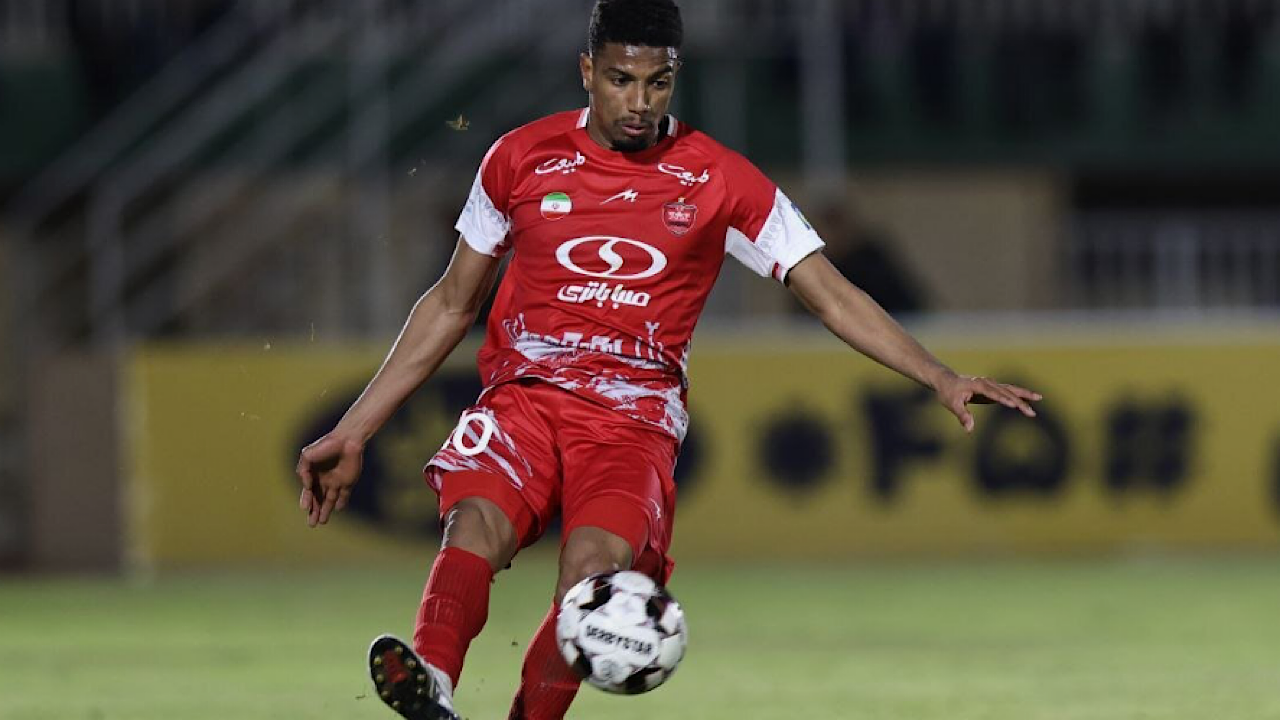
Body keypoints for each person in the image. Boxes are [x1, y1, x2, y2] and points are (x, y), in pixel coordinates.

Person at [294, 2, 1042, 719]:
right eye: (621, 79)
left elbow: (830, 294)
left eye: (658, 82)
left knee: (592, 580)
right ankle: (432, 681)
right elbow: (452, 304)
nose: (640, 101)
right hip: (524, 398)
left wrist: (938, 375)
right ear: (587, 70)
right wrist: (355, 429)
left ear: (675, 76)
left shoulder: (720, 179)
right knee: (474, 526)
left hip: (633, 420)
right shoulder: (519, 159)